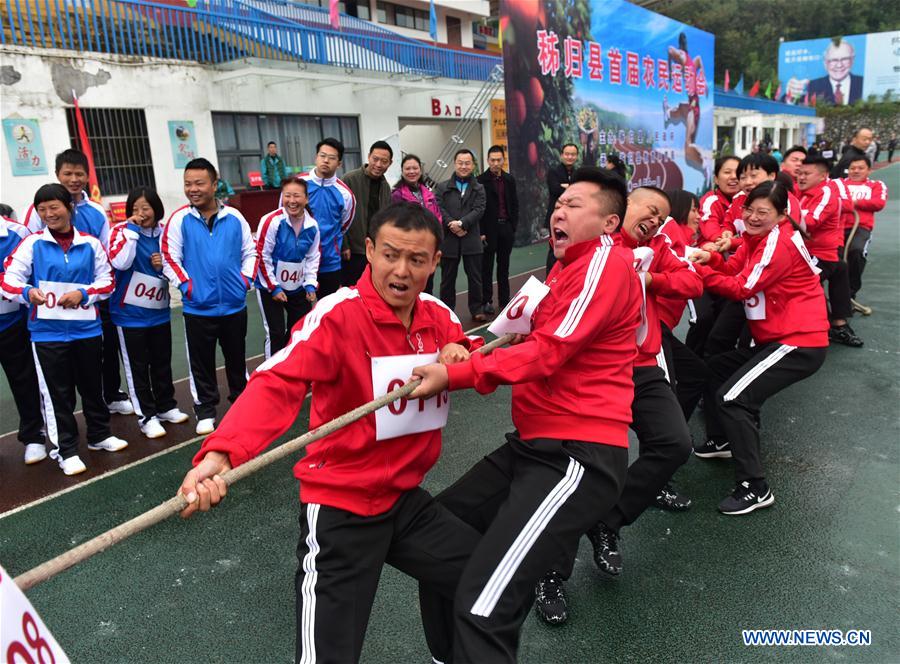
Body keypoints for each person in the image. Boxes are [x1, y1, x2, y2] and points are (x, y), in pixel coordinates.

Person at [177, 203, 482, 664]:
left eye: (417, 260)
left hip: (405, 499)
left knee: (486, 581)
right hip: (342, 508)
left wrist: (463, 348)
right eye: (390, 255)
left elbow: (466, 342)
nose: (401, 271)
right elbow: (277, 382)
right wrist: (219, 457)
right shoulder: (338, 315)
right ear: (369, 251)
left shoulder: (438, 314)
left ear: (436, 262)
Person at [411, 167, 643, 661]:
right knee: (436, 534)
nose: (559, 210)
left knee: (484, 604)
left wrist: (460, 372)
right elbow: (534, 339)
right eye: (559, 203)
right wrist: (474, 346)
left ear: (609, 223)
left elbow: (550, 352)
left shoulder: (605, 264)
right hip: (535, 444)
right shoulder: (564, 268)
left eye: (575, 204)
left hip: (576, 454)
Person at [532, 186, 702, 625]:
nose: (655, 220)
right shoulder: (584, 246)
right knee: (579, 471)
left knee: (674, 443)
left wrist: (652, 278)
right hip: (591, 372)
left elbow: (692, 281)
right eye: (649, 209)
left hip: (641, 364)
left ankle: (609, 519)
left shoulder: (658, 247)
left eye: (662, 216)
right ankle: (550, 573)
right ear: (618, 209)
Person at [689, 181, 828, 513]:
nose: (751, 216)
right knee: (716, 368)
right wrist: (709, 257)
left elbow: (741, 287)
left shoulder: (779, 242)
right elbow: (735, 267)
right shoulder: (759, 238)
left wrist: (696, 269)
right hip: (779, 339)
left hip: (798, 341)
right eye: (749, 209)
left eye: (762, 212)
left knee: (734, 399)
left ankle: (755, 485)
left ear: (781, 214)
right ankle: (723, 439)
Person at [1, 184, 128, 475]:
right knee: (57, 393)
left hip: (87, 329)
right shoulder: (32, 244)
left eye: (54, 207)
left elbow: (107, 281)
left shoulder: (90, 243)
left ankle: (99, 435)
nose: (49, 214)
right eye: (42, 209)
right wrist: (27, 292)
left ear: (68, 207)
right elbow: (9, 280)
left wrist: (84, 294)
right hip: (47, 334)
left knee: (92, 386)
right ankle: (66, 449)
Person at [23, 149, 131, 416]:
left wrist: (93, 290)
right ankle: (63, 422)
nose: (73, 179)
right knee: (61, 363)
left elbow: (106, 250)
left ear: (87, 175)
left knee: (102, 348)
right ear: (58, 175)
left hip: (91, 295)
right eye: (67, 174)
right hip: (53, 304)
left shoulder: (95, 210)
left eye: (79, 174)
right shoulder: (41, 209)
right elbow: (30, 248)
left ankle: (111, 394)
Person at [161, 158, 257, 436]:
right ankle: (205, 410)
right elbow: (169, 257)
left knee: (237, 360)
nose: (193, 189)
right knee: (201, 363)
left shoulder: (235, 217)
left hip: (234, 305)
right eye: (188, 184)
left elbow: (250, 252)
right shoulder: (179, 219)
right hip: (197, 308)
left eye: (199, 183)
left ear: (214, 185)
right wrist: (187, 286)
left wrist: (245, 280)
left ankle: (240, 405)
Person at [107, 187, 190, 439]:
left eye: (146, 208)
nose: (141, 214)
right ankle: (147, 416)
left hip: (159, 311)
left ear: (156, 209)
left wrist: (162, 266)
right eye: (134, 209)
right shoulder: (119, 232)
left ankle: (166, 405)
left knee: (162, 362)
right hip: (128, 315)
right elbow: (120, 262)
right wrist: (132, 231)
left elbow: (178, 266)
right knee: (138, 368)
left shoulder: (166, 233)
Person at [797, 156, 862, 347]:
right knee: (840, 268)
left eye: (806, 174)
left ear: (823, 175)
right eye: (799, 173)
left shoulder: (825, 192)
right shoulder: (801, 193)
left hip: (817, 254)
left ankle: (827, 325)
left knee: (804, 280)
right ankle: (838, 324)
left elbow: (810, 222)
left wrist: (784, 212)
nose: (801, 177)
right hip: (808, 252)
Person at [255, 177, 320, 358]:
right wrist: (273, 287)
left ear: (306, 199)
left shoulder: (312, 225)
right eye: (287, 196)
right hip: (269, 286)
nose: (292, 201)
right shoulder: (271, 221)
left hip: (296, 286)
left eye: (297, 196)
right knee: (275, 332)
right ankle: (270, 374)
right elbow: (262, 255)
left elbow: (313, 257)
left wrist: (310, 284)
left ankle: (290, 367)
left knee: (298, 329)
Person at [0, 214, 46, 465]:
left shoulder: (17, 234)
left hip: (12, 324)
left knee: (23, 380)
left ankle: (34, 436)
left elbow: (32, 275)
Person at [299, 138, 356, 297]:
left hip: (329, 262)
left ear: (339, 164)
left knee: (327, 311)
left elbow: (344, 226)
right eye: (322, 155)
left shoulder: (345, 194)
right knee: (300, 314)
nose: (326, 160)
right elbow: (283, 218)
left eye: (332, 158)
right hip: (299, 261)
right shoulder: (298, 184)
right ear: (316, 157)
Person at [435, 148, 487, 321]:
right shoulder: (442, 187)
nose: (464, 166)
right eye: (460, 163)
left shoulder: (479, 187)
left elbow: (479, 209)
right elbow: (439, 208)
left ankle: (477, 309)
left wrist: (463, 223)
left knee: (475, 278)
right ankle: (446, 311)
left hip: (471, 238)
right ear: (454, 163)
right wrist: (452, 224)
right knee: (447, 279)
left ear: (473, 165)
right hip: (449, 240)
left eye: (467, 163)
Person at [841, 156, 888, 314]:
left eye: (860, 168)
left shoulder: (876, 185)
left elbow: (878, 203)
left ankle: (850, 294)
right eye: (853, 168)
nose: (856, 171)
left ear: (868, 170)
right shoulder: (839, 184)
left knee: (856, 252)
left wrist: (853, 202)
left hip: (860, 227)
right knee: (833, 260)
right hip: (837, 227)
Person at [341, 141, 392, 286]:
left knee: (375, 289)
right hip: (353, 250)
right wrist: (344, 245)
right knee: (352, 291)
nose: (378, 164)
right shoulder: (349, 179)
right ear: (369, 157)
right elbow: (339, 215)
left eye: (384, 161)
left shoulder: (385, 187)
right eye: (375, 159)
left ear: (390, 163)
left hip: (376, 250)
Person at [476, 145, 519, 315]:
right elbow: (478, 209)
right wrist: (481, 231)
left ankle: (504, 300)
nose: (495, 163)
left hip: (506, 228)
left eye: (498, 160)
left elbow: (515, 204)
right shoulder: (480, 180)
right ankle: (487, 300)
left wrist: (512, 225)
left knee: (504, 266)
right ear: (487, 161)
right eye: (492, 160)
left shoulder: (509, 179)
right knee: (486, 267)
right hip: (488, 230)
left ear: (503, 160)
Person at [391, 154, 442, 294]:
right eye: (408, 168)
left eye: (415, 168)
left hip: (428, 245)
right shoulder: (397, 195)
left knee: (428, 283)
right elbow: (397, 222)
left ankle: (425, 313)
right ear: (402, 171)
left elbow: (437, 216)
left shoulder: (428, 192)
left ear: (420, 170)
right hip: (409, 246)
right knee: (412, 282)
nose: (412, 171)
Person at [663, 32, 707, 175]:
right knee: (688, 144)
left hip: (693, 103)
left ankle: (704, 164)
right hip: (692, 103)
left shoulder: (684, 60)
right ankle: (669, 112)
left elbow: (671, 50)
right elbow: (698, 59)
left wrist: (703, 80)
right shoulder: (688, 62)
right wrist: (670, 70)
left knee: (688, 146)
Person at [544, 143, 579, 274]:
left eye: (573, 154)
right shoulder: (553, 171)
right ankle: (550, 280)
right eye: (567, 154)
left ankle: (568, 276)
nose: (570, 157)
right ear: (562, 155)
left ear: (577, 156)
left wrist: (565, 186)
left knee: (572, 248)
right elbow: (555, 189)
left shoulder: (578, 173)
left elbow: (579, 191)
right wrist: (571, 187)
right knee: (554, 248)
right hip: (556, 216)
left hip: (574, 217)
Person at [803, 39, 863, 105]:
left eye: (845, 59)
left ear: (852, 60)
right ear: (825, 62)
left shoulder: (864, 83)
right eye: (834, 60)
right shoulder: (813, 86)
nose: (839, 65)